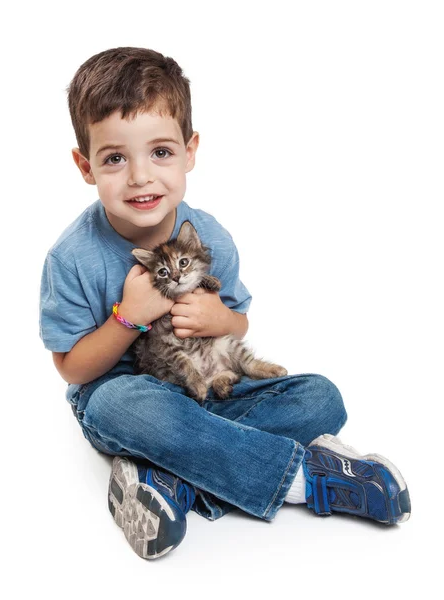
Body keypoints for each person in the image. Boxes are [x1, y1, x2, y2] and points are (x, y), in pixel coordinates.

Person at [39, 46, 411, 560]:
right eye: (115, 158)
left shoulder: (209, 235)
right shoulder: (72, 256)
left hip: (212, 386)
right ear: (85, 166)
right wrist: (129, 317)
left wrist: (222, 318)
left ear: (191, 151)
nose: (141, 176)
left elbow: (238, 320)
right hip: (129, 397)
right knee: (117, 404)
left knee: (323, 398)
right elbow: (73, 370)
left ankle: (170, 478)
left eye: (161, 152)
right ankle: (308, 480)